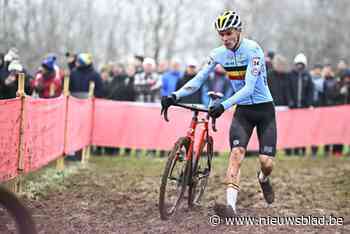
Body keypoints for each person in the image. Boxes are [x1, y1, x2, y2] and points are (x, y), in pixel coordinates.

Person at [161, 10, 276, 217]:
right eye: (221, 34)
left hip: (264, 109)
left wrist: (223, 106)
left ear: (238, 31)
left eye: (228, 33)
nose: (225, 38)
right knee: (236, 154)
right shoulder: (218, 53)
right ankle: (231, 207)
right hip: (243, 111)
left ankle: (264, 178)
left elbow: (249, 88)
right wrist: (174, 96)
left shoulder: (254, 50)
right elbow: (199, 79)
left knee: (266, 162)